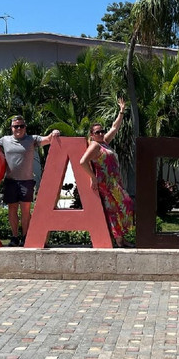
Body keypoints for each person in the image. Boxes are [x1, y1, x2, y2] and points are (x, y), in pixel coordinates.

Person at [0, 116, 60, 246]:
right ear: (11, 128)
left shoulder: (31, 139)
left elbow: (48, 139)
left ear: (25, 127)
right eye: (16, 126)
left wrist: (54, 133)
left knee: (25, 210)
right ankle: (14, 237)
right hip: (11, 181)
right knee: (12, 209)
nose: (18, 128)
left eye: (21, 126)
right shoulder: (5, 140)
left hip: (26, 181)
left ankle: (25, 236)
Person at [80, 97, 135, 247]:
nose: (100, 134)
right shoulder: (95, 146)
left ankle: (120, 239)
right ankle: (119, 238)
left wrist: (121, 111)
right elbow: (82, 161)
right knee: (126, 204)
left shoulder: (103, 142)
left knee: (115, 210)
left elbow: (114, 127)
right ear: (92, 135)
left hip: (115, 181)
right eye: (97, 132)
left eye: (101, 131)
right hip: (107, 183)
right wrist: (93, 177)